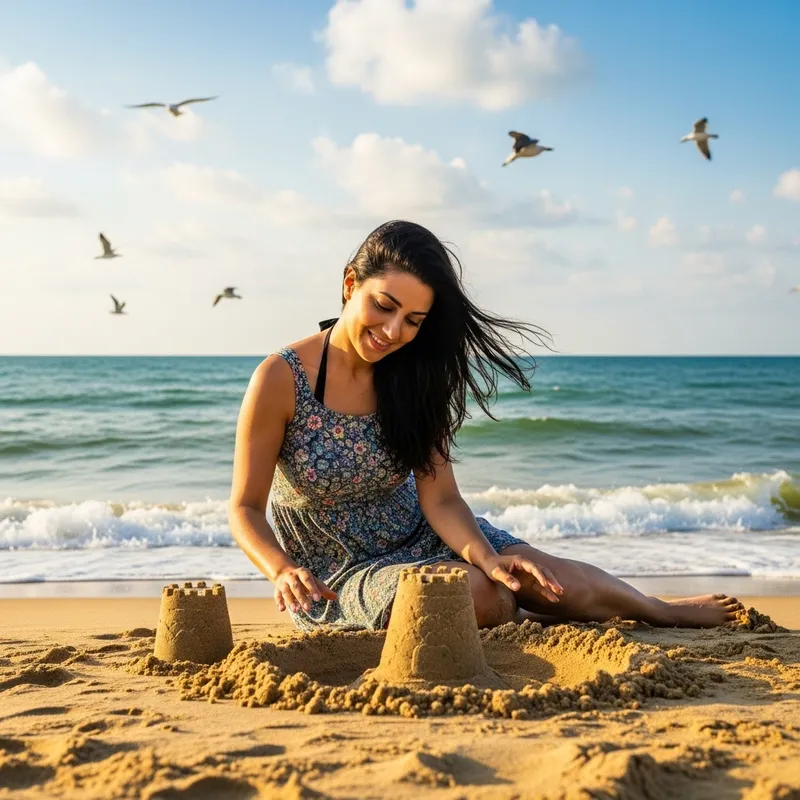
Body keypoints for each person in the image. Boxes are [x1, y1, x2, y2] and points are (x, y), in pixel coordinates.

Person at [229, 220, 742, 631]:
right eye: (384, 306)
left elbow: (441, 499)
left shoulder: (414, 377)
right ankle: (518, 612)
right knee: (475, 593)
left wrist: (486, 556)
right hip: (338, 573)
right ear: (349, 284)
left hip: (429, 536)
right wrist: (280, 568)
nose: (392, 331)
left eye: (413, 320)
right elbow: (245, 508)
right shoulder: (282, 377)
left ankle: (657, 609)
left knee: (549, 581)